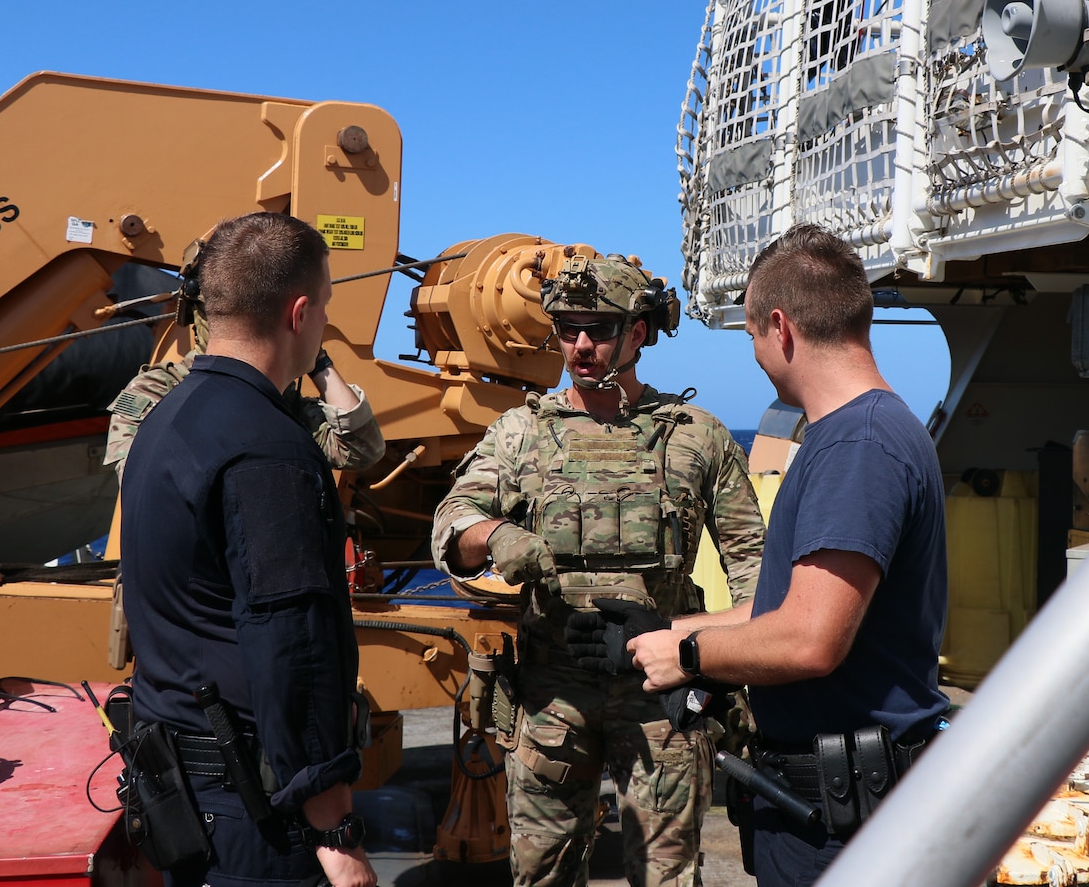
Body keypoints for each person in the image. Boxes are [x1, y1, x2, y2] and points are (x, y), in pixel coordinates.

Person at [626, 224, 949, 887]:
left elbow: (810, 640)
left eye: (748, 336)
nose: (754, 355)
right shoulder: (877, 429)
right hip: (838, 806)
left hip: (839, 825)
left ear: (781, 327)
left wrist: (687, 659)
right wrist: (673, 631)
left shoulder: (857, 447)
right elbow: (790, 608)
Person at [431, 253, 766, 887]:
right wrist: (493, 533)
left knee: (666, 877)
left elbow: (754, 568)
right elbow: (451, 521)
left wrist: (717, 656)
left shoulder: (696, 437)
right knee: (541, 872)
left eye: (601, 328)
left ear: (638, 333)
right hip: (553, 699)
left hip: (660, 699)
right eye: (567, 327)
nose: (581, 345)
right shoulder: (522, 434)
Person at [120, 212, 378, 887]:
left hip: (180, 794)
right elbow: (291, 643)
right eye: (323, 306)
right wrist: (337, 828)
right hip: (256, 813)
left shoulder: (168, 421)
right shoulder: (267, 448)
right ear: (300, 313)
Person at [105, 302, 385, 479]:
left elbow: (362, 450)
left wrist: (317, 360)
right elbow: (142, 480)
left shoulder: (282, 400)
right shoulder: (158, 389)